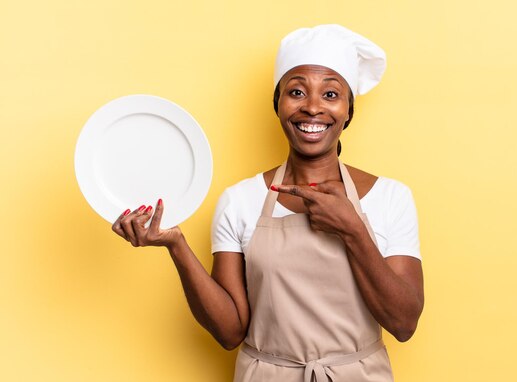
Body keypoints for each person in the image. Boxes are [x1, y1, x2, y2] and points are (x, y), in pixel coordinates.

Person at [112, 24, 424, 382]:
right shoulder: (240, 200)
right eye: (296, 91)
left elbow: (403, 323)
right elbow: (230, 333)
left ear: (348, 111)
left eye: (331, 95)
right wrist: (176, 244)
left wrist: (352, 228)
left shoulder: (390, 197)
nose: (311, 108)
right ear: (277, 104)